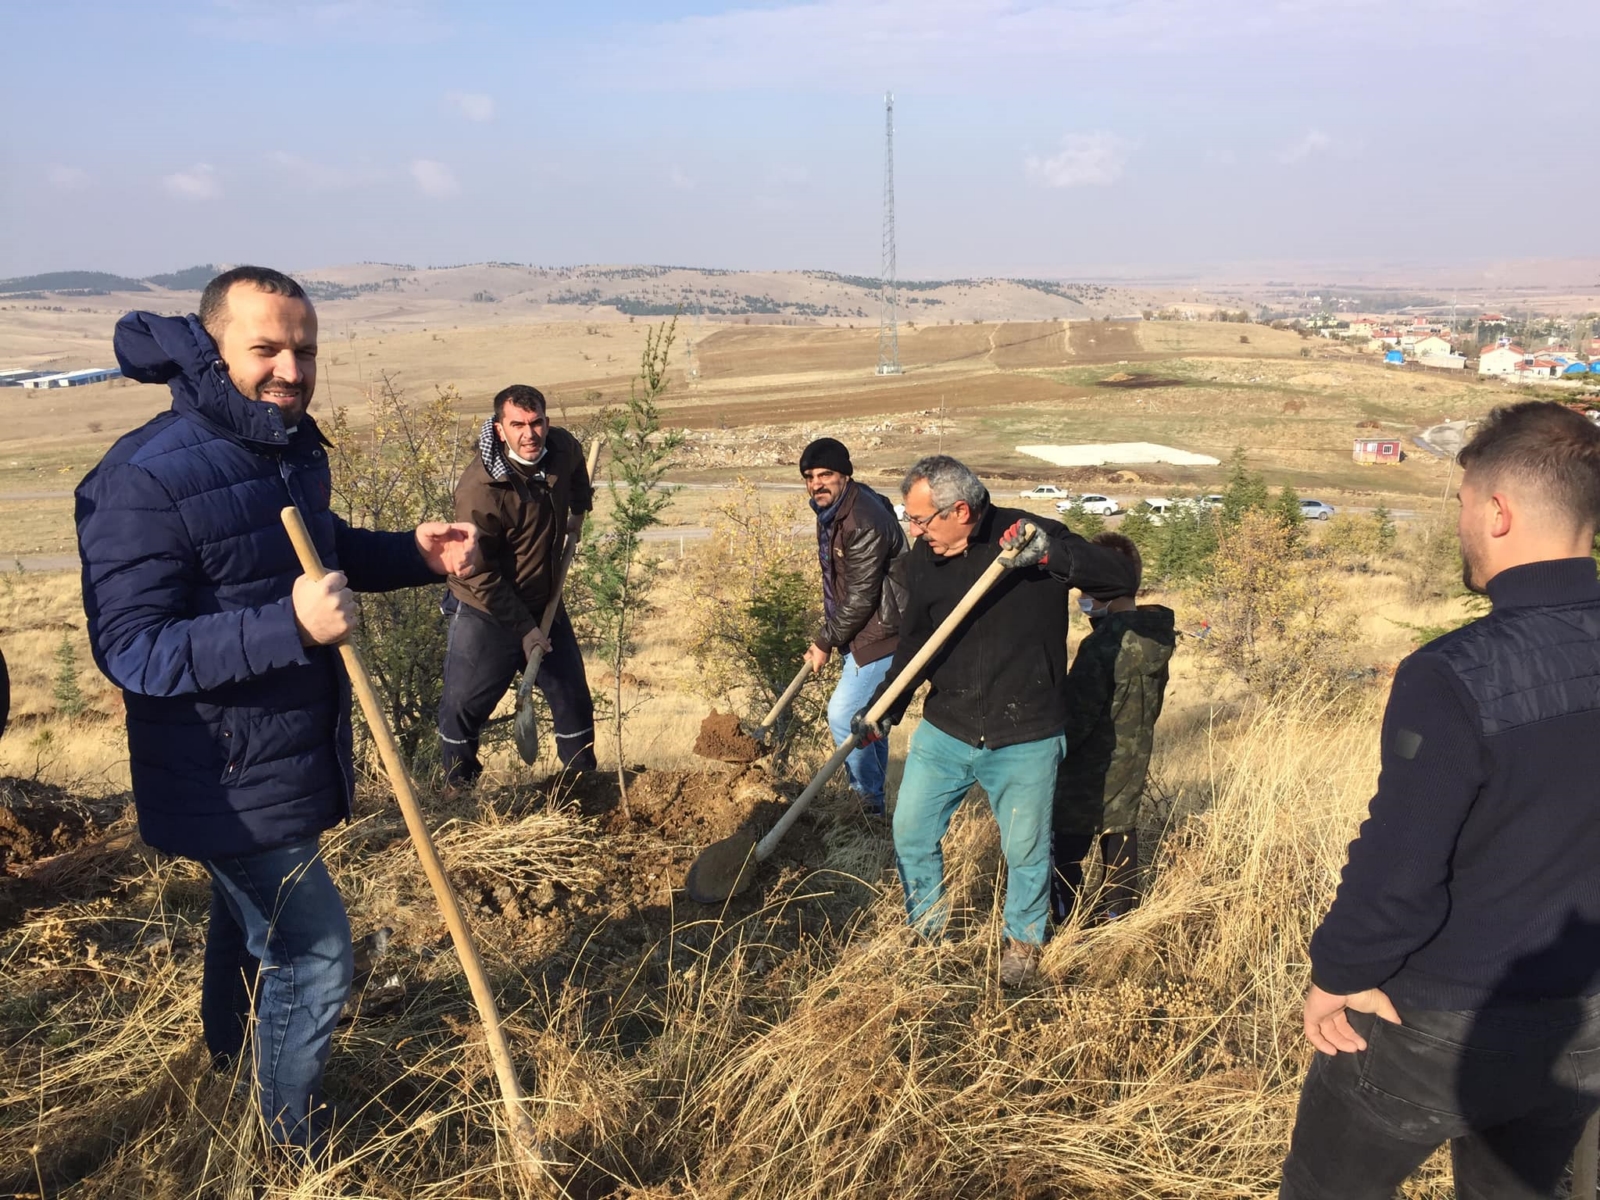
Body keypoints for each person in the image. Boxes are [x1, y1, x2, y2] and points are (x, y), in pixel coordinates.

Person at [75, 266, 480, 1154]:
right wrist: (289, 626)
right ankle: (288, 1145)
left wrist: (414, 553)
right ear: (216, 346)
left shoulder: (283, 447)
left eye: (304, 350)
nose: (290, 369)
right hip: (221, 770)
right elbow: (134, 651)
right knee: (317, 948)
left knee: (248, 922)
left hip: (280, 754)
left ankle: (227, 1068)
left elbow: (314, 557)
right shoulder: (143, 478)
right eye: (266, 348)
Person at [1280, 401, 1600, 1199]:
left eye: (1460, 506)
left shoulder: (1456, 672)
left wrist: (1339, 972)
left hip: (1442, 1022)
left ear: (1498, 511)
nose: (1458, 524)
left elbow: (1402, 862)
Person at [854, 455, 1139, 987]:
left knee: (1025, 851)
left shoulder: (1030, 537)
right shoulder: (925, 557)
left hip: (1025, 731)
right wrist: (885, 705)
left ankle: (1023, 945)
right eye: (909, 519)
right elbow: (917, 642)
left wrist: (1052, 556)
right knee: (911, 830)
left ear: (959, 509)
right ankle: (927, 932)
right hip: (948, 726)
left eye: (920, 519)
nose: (914, 531)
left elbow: (1118, 575)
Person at [436, 384, 596, 783]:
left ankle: (583, 787)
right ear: (499, 428)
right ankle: (457, 790)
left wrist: (580, 508)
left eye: (537, 422)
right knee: (463, 706)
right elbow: (475, 570)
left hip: (544, 601)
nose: (530, 433)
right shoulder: (480, 490)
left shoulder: (561, 448)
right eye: (518, 424)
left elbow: (577, 468)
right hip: (484, 607)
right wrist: (524, 629)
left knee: (572, 696)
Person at [1050, 532, 1175, 925]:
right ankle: (1117, 920)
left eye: (1088, 591)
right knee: (1120, 839)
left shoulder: (1103, 646)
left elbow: (1076, 717)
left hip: (1086, 771)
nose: (1083, 600)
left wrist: (1050, 752)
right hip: (1132, 760)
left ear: (1105, 586)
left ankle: (1065, 924)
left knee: (1064, 852)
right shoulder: (1156, 637)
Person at [798, 437, 907, 816]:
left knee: (845, 715)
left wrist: (825, 639)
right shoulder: (833, 511)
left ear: (845, 474)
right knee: (870, 722)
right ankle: (873, 805)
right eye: (810, 477)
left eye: (825, 474)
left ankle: (865, 802)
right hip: (862, 632)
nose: (816, 483)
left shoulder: (862, 519)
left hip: (880, 634)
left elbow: (861, 595)